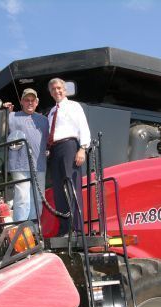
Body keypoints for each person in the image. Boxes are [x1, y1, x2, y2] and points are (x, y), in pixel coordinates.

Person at [47, 78, 91, 236]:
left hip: (69, 146)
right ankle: (64, 228)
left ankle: (76, 228)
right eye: (53, 89)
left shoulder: (74, 106)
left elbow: (83, 127)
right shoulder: (51, 112)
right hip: (54, 150)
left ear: (64, 90)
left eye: (59, 88)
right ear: (50, 93)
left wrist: (82, 148)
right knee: (58, 190)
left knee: (71, 186)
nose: (56, 91)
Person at [6, 88, 49, 222]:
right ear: (21, 102)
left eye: (32, 100)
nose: (30, 103)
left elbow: (50, 140)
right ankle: (21, 230)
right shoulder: (11, 116)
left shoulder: (44, 120)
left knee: (37, 198)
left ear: (37, 102)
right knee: (22, 198)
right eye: (27, 100)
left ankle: (35, 230)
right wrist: (4, 111)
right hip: (19, 165)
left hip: (40, 166)